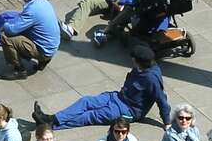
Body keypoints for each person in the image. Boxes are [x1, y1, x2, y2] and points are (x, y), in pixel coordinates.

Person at [45, 41, 173, 130]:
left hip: (129, 110)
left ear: (139, 61)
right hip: (117, 97)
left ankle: (50, 126)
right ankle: (53, 119)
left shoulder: (151, 78)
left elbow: (161, 99)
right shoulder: (140, 68)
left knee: (91, 115)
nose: (131, 60)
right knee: (86, 101)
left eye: (133, 58)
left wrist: (167, 122)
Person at [0, 0, 60, 80]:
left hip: (44, 51)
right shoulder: (42, 1)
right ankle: (43, 62)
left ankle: (19, 70)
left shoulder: (31, 11)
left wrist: (5, 25)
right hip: (52, 46)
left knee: (5, 36)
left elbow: (12, 30)